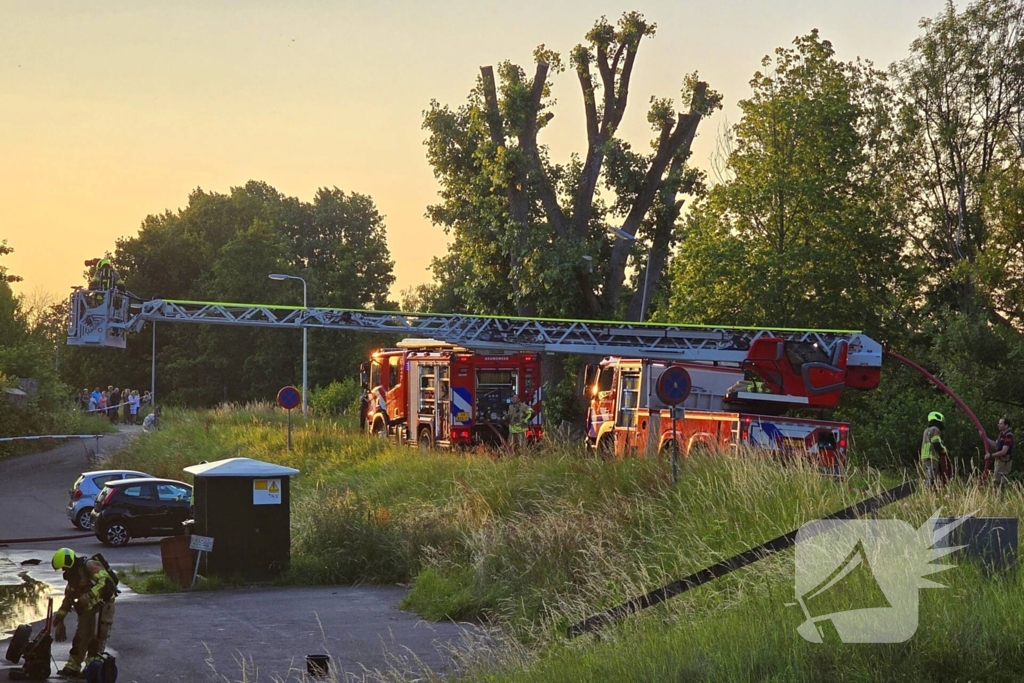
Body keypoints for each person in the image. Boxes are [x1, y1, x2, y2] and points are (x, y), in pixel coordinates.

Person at [51, 548, 117, 678]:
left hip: (103, 606)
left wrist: (87, 597)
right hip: (87, 608)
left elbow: (105, 582)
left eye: (64, 567)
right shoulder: (73, 577)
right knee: (80, 637)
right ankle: (72, 667)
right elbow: (68, 599)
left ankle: (92, 668)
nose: (64, 571)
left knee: (96, 638)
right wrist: (59, 618)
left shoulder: (90, 565)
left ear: (69, 562)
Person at [984, 416, 1014, 490]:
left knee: (999, 482)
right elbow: (996, 446)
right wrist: (985, 438)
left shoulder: (1008, 435)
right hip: (999, 460)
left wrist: (990, 456)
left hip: (1004, 461)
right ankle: (996, 499)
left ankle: (999, 500)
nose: (998, 425)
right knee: (996, 481)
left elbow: (1004, 451)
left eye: (1001, 424)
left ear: (1006, 425)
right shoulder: (1001, 435)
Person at [920, 411, 949, 488]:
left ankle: (930, 495)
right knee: (930, 479)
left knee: (929, 478)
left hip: (925, 457)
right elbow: (936, 444)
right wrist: (943, 450)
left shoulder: (926, 430)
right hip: (932, 457)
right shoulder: (935, 430)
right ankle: (927, 495)